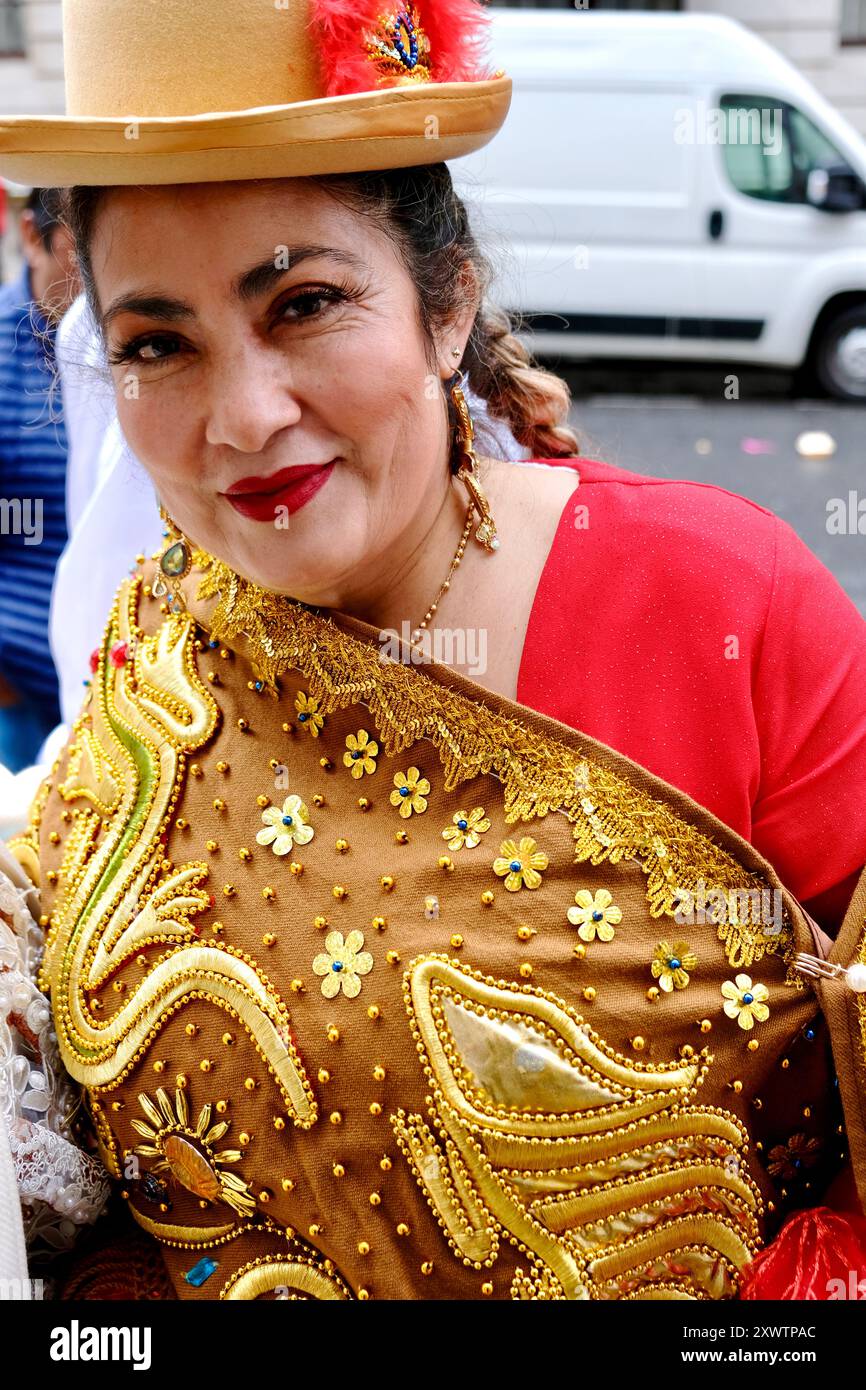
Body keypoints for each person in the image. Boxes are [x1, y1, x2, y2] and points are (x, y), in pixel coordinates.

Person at [0, 0, 865, 1302]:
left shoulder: (724, 606)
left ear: (446, 304)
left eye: (302, 304)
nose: (241, 415)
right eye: (158, 342)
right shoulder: (149, 655)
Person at [0, 187, 78, 773]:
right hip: (17, 693)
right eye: (78, 261)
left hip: (124, 678)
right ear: (32, 238)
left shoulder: (118, 350)